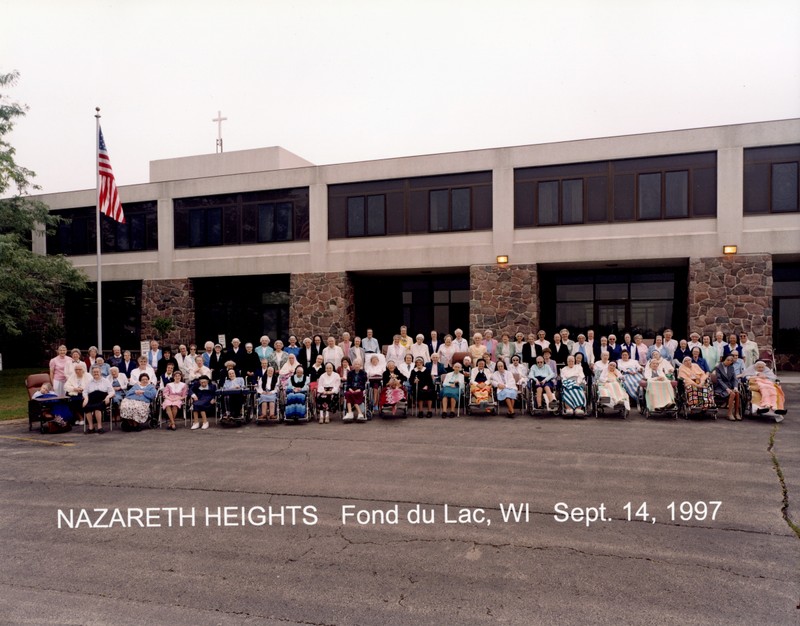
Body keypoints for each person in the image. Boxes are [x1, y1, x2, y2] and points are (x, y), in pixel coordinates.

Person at [82, 365, 115, 433]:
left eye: (97, 372)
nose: (96, 373)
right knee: (86, 407)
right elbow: (85, 392)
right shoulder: (89, 381)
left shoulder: (106, 381)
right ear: (92, 373)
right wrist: (86, 398)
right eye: (94, 372)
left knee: (97, 408)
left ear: (100, 372)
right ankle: (91, 427)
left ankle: (99, 427)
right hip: (91, 399)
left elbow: (112, 391)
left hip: (102, 399)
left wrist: (108, 397)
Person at [714, 355, 741, 420]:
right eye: (728, 360)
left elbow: (734, 378)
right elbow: (719, 380)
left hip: (729, 386)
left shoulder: (731, 367)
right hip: (720, 387)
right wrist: (726, 388)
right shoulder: (718, 367)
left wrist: (735, 387)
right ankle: (729, 413)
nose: (729, 362)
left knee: (737, 393)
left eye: (731, 360)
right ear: (724, 359)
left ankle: (736, 413)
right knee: (732, 394)